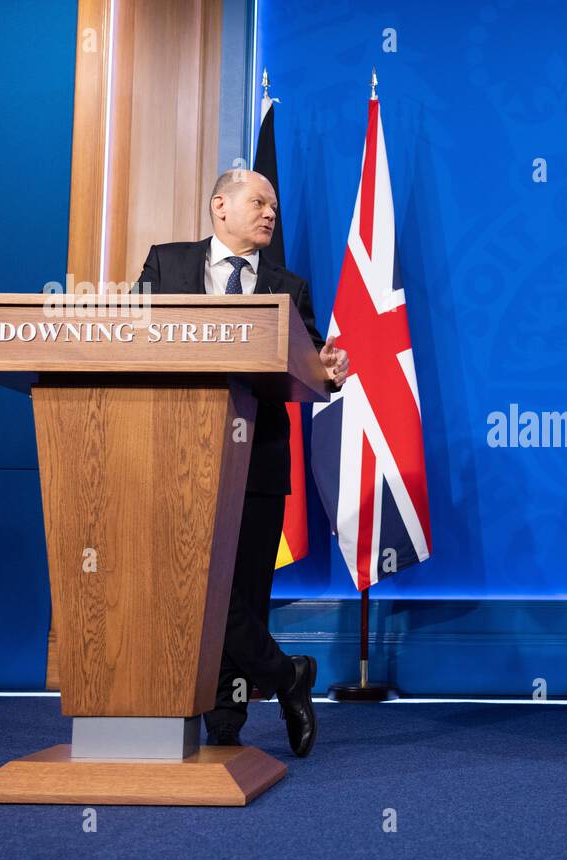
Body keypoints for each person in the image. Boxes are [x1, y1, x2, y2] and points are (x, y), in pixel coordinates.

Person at [135, 168, 350, 756]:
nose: (269, 213)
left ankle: (225, 724)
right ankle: (287, 677)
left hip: (256, 460)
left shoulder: (290, 286)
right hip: (172, 453)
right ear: (219, 206)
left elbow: (308, 370)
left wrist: (326, 370)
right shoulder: (167, 264)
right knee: (199, 586)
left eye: (274, 206)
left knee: (245, 591)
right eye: (259, 201)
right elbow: (133, 343)